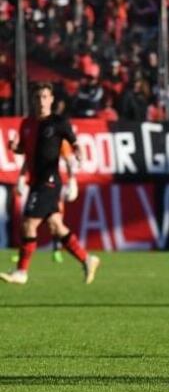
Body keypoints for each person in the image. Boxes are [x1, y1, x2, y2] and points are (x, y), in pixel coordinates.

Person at [1, 83, 99, 286]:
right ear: (33, 100)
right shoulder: (27, 123)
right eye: (38, 97)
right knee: (56, 226)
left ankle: (21, 271)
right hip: (36, 181)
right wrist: (15, 148)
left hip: (49, 182)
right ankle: (87, 259)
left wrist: (79, 153)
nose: (41, 101)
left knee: (28, 224)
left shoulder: (59, 122)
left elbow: (74, 143)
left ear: (51, 99)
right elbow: (25, 150)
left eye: (45, 97)